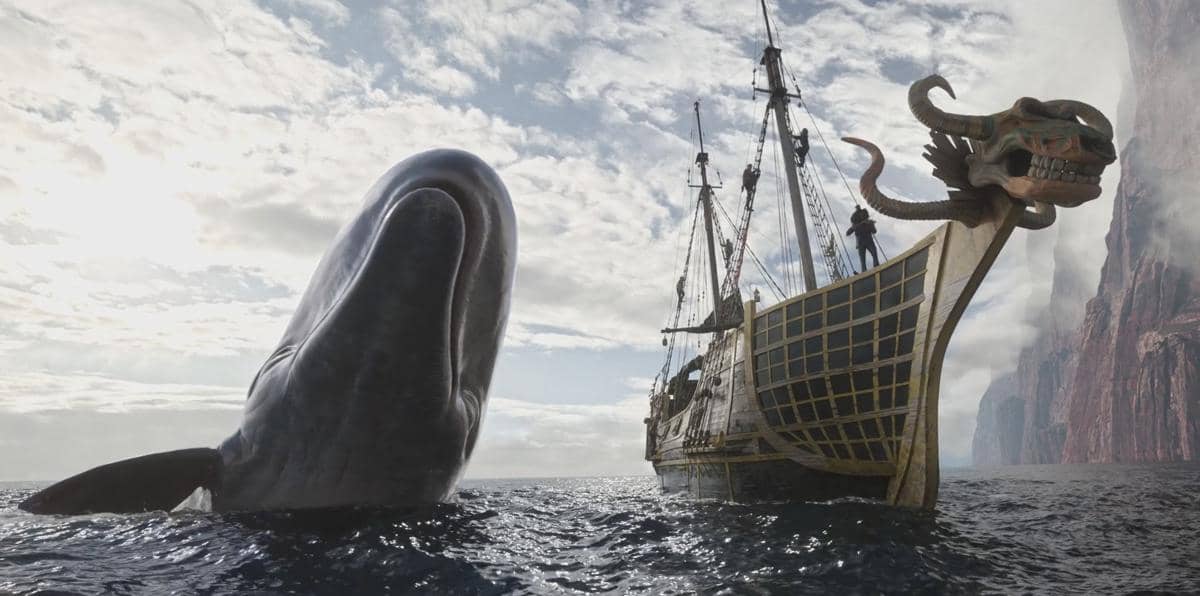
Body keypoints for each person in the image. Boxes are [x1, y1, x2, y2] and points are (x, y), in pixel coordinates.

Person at [846, 205, 879, 272]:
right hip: (861, 242)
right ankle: (864, 270)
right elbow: (848, 233)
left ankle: (876, 266)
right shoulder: (856, 225)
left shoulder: (867, 223)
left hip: (868, 240)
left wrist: (871, 224)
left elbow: (874, 231)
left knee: (874, 253)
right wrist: (857, 226)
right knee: (863, 259)